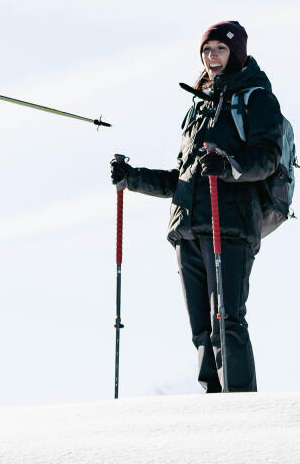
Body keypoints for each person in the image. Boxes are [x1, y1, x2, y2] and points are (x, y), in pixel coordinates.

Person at [111, 22, 284, 392]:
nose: (212, 57)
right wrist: (132, 177)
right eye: (207, 50)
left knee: (227, 320)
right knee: (202, 329)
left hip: (231, 224)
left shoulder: (256, 98)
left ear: (236, 54)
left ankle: (239, 403)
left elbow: (268, 158)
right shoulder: (199, 108)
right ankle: (212, 403)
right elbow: (183, 177)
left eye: (220, 49)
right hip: (188, 227)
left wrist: (231, 167)